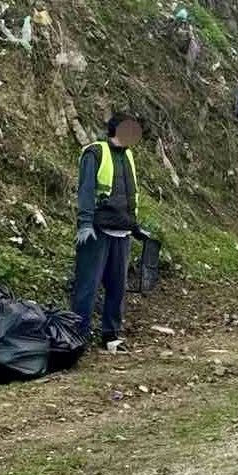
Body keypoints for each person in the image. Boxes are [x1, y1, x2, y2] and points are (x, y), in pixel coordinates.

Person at [73, 112, 143, 350]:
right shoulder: (95, 153)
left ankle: (111, 335)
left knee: (117, 287)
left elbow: (129, 193)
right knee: (87, 286)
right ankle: (77, 336)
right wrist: (85, 223)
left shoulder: (128, 155)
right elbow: (86, 190)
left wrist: (134, 225)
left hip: (122, 231)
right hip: (97, 230)